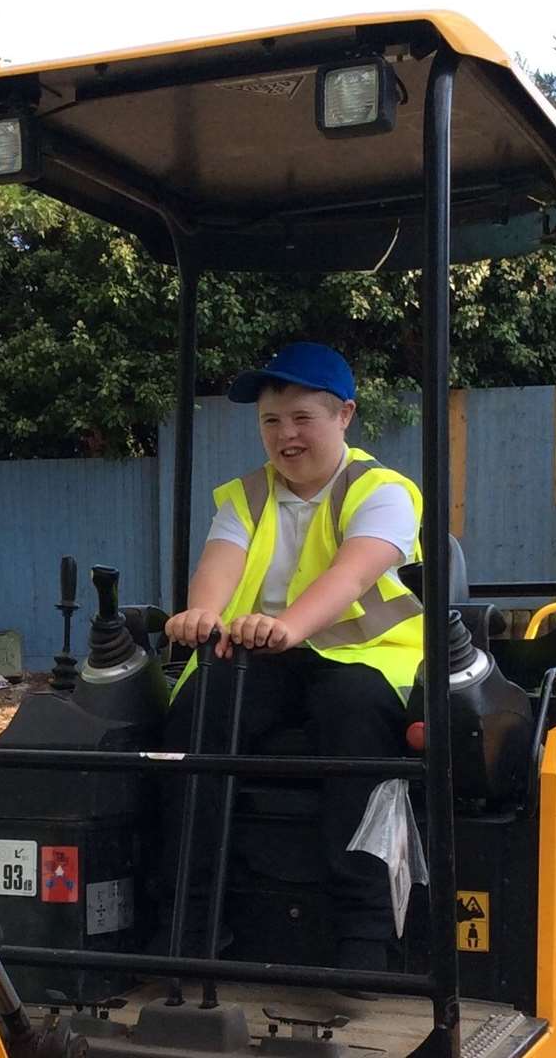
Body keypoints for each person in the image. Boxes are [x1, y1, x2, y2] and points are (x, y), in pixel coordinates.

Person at [161, 341, 424, 975]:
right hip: (268, 658)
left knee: (350, 707)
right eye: (271, 422)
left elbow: (350, 576)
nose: (286, 435)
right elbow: (217, 569)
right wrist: (200, 615)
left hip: (372, 662)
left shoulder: (383, 491)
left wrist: (285, 626)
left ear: (345, 415)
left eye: (303, 417)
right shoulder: (246, 498)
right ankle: (189, 925)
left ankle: (366, 935)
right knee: (201, 706)